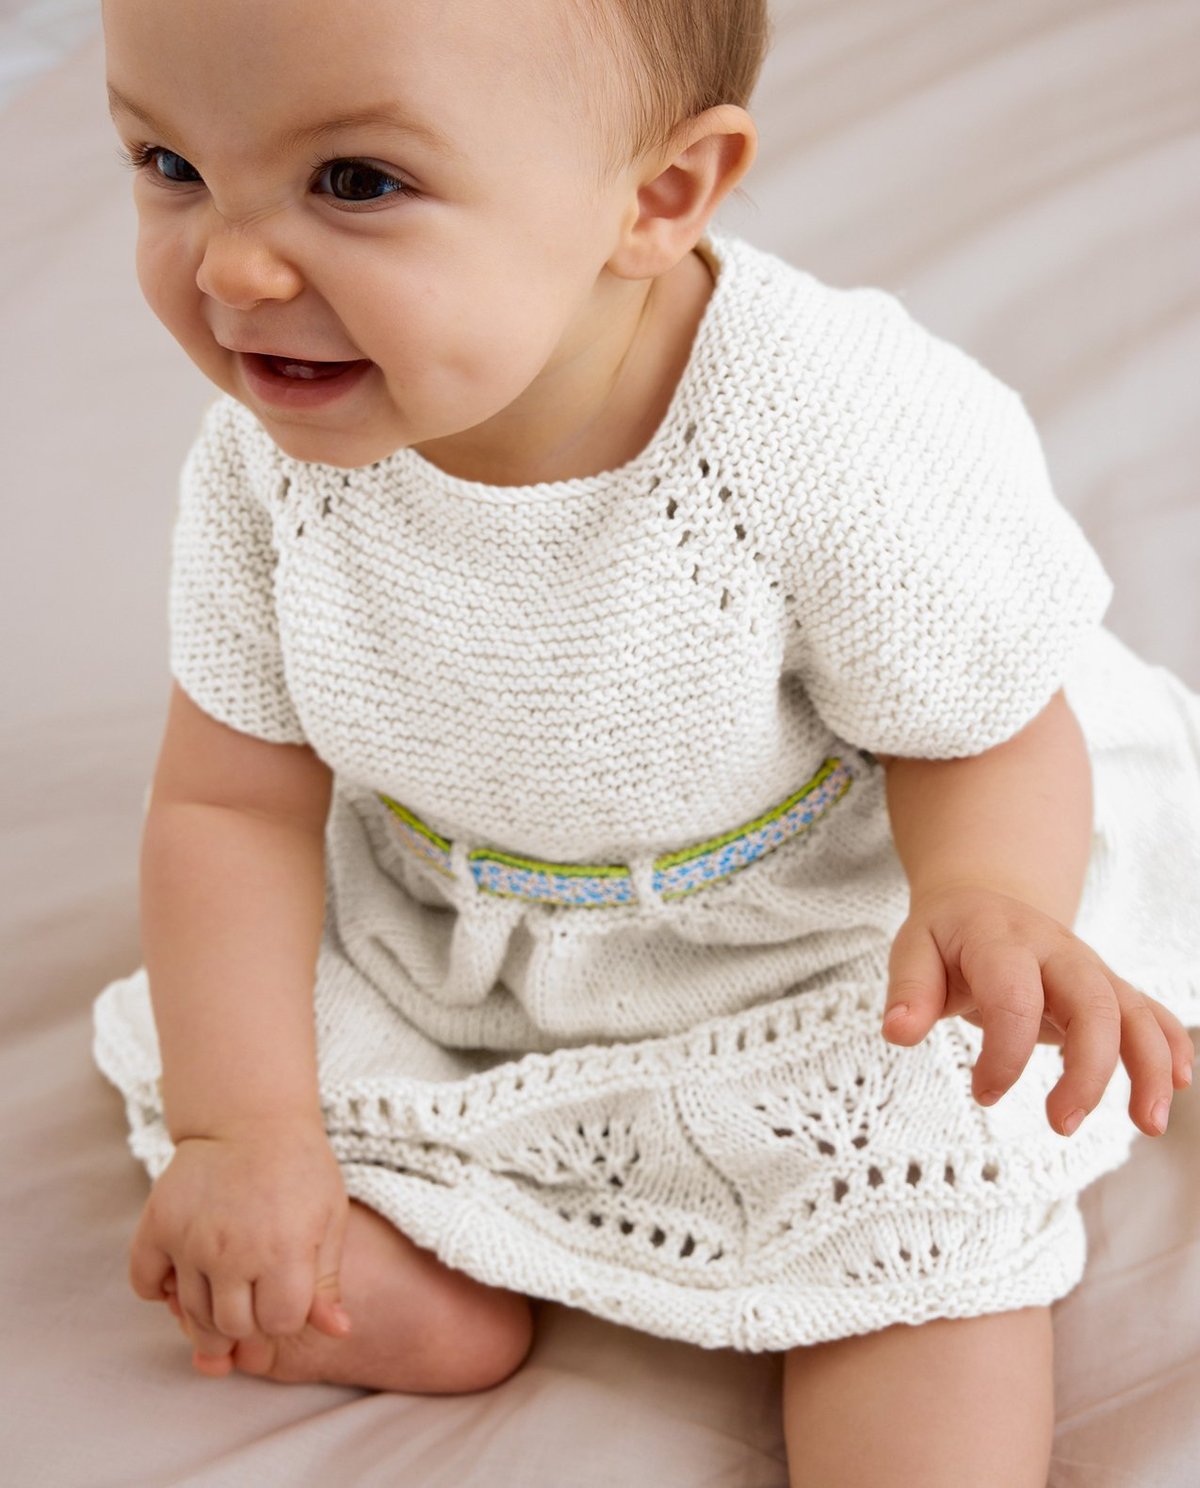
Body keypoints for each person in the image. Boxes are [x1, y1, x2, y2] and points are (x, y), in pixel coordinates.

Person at [91, 1, 1200, 1484]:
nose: (231, 268)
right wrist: (245, 1135)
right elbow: (229, 809)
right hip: (451, 940)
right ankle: (442, 1270)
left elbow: (982, 729)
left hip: (825, 934)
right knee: (250, 1108)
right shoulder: (270, 464)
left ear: (659, 195)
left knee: (920, 1217)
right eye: (169, 165)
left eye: (354, 182)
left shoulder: (814, 425)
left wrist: (987, 897)